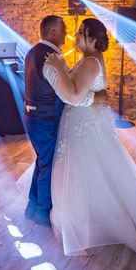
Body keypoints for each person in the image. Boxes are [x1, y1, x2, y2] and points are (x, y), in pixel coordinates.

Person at [36, 18, 136, 258]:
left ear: (93, 39)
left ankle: (93, 217)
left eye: (80, 33)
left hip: (83, 124)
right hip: (84, 122)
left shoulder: (89, 62)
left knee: (86, 167)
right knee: (94, 167)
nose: (75, 37)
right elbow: (86, 91)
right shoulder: (88, 60)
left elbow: (75, 96)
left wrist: (57, 68)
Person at [22, 15, 98, 227]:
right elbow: (67, 95)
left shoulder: (33, 52)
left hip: (34, 116)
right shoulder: (49, 57)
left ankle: (32, 206)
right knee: (48, 165)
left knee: (42, 162)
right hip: (45, 119)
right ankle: (43, 213)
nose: (68, 34)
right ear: (54, 33)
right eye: (64, 29)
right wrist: (95, 98)